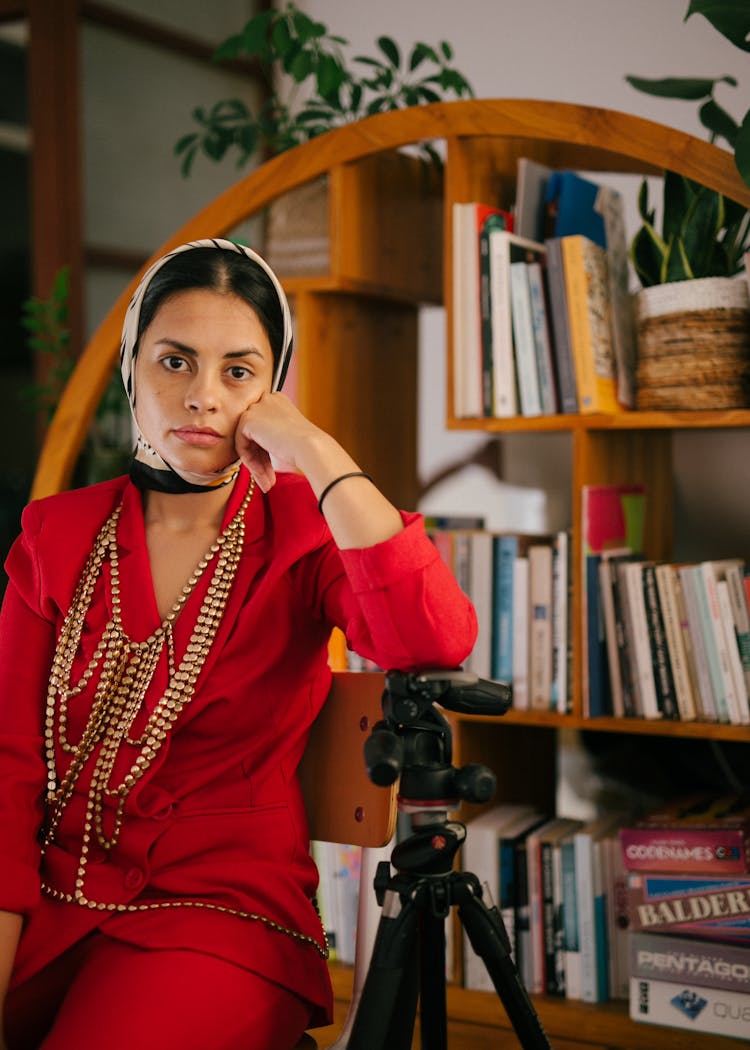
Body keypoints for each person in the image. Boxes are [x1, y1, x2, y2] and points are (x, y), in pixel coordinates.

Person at [0, 239, 477, 1050]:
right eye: (175, 362)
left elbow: (432, 639)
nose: (201, 398)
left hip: (218, 918)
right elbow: (8, 760)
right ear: (132, 369)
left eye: (238, 371)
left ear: (273, 387)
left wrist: (312, 451)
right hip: (46, 903)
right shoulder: (58, 531)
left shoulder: (302, 527)